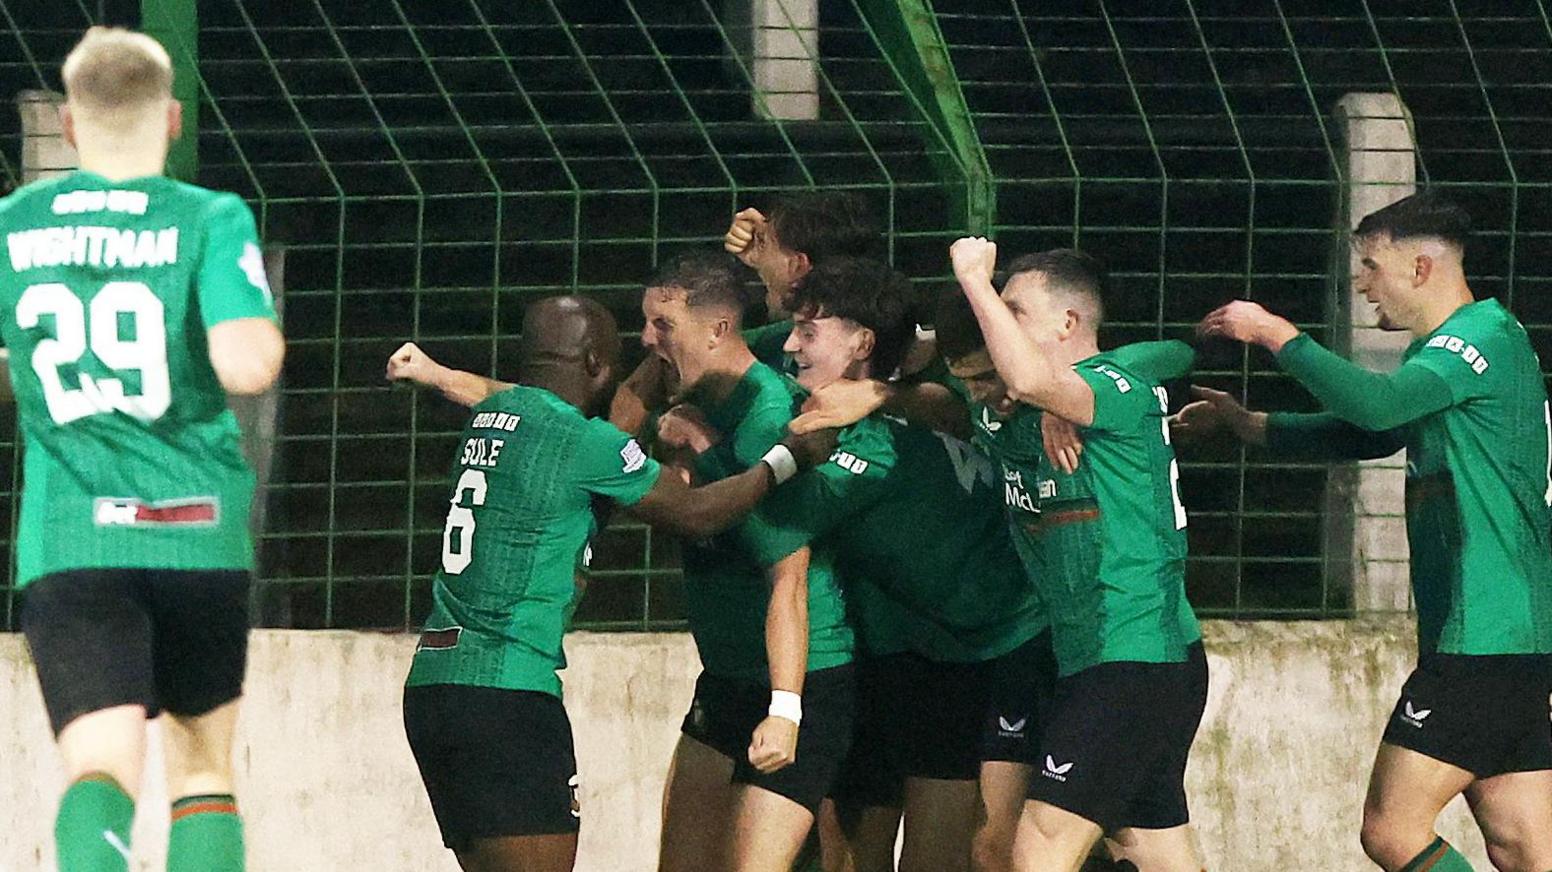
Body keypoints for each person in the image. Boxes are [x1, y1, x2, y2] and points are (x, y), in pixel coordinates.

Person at [392, 253, 856, 872]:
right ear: (594, 365)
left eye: (660, 324)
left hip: (435, 689)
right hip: (506, 692)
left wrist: (441, 374)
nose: (647, 344)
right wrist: (787, 459)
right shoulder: (583, 442)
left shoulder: (495, 421)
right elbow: (692, 511)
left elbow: (787, 572)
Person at [1193, 191, 1552, 872]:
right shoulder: (1460, 349)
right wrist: (1251, 425)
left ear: (1421, 267)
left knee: (1392, 830)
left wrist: (1276, 335)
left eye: (1371, 266)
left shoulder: (1475, 341)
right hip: (1510, 637)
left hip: (1486, 635)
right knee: (1525, 846)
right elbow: (1376, 430)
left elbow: (1376, 403)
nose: (1362, 284)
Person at [665, 257, 1057, 872]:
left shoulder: (871, 443)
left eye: (808, 331)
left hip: (999, 650)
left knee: (979, 852)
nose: (789, 344)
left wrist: (708, 448)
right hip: (902, 650)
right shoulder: (840, 411)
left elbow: (773, 518)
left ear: (863, 343)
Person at [0, 26, 284, 872]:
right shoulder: (207, 218)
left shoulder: (16, 224)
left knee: (98, 766)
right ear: (171, 118)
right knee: (201, 769)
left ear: (73, 127)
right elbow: (247, 362)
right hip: (196, 530)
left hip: (74, 538)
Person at [950, 239, 1206, 872]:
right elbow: (953, 371)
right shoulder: (1014, 408)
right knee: (1150, 847)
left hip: (1134, 655)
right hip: (1103, 659)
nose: (998, 324)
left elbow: (1168, 353)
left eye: (1015, 311)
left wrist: (973, 278)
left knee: (1037, 851)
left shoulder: (1110, 389)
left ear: (1067, 324)